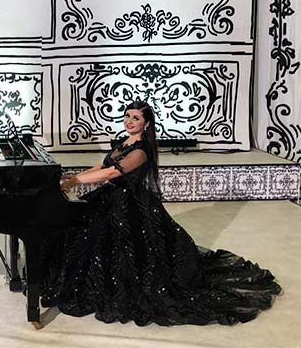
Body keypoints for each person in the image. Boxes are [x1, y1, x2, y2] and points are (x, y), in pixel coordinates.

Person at [40, 100, 281, 326]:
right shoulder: (123, 142)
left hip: (129, 205)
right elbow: (103, 166)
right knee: (80, 229)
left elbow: (112, 173)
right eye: (127, 116)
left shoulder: (141, 150)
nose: (129, 121)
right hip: (110, 197)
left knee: (120, 247)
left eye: (135, 118)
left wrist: (75, 181)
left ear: (146, 123)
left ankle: (108, 287)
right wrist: (73, 177)